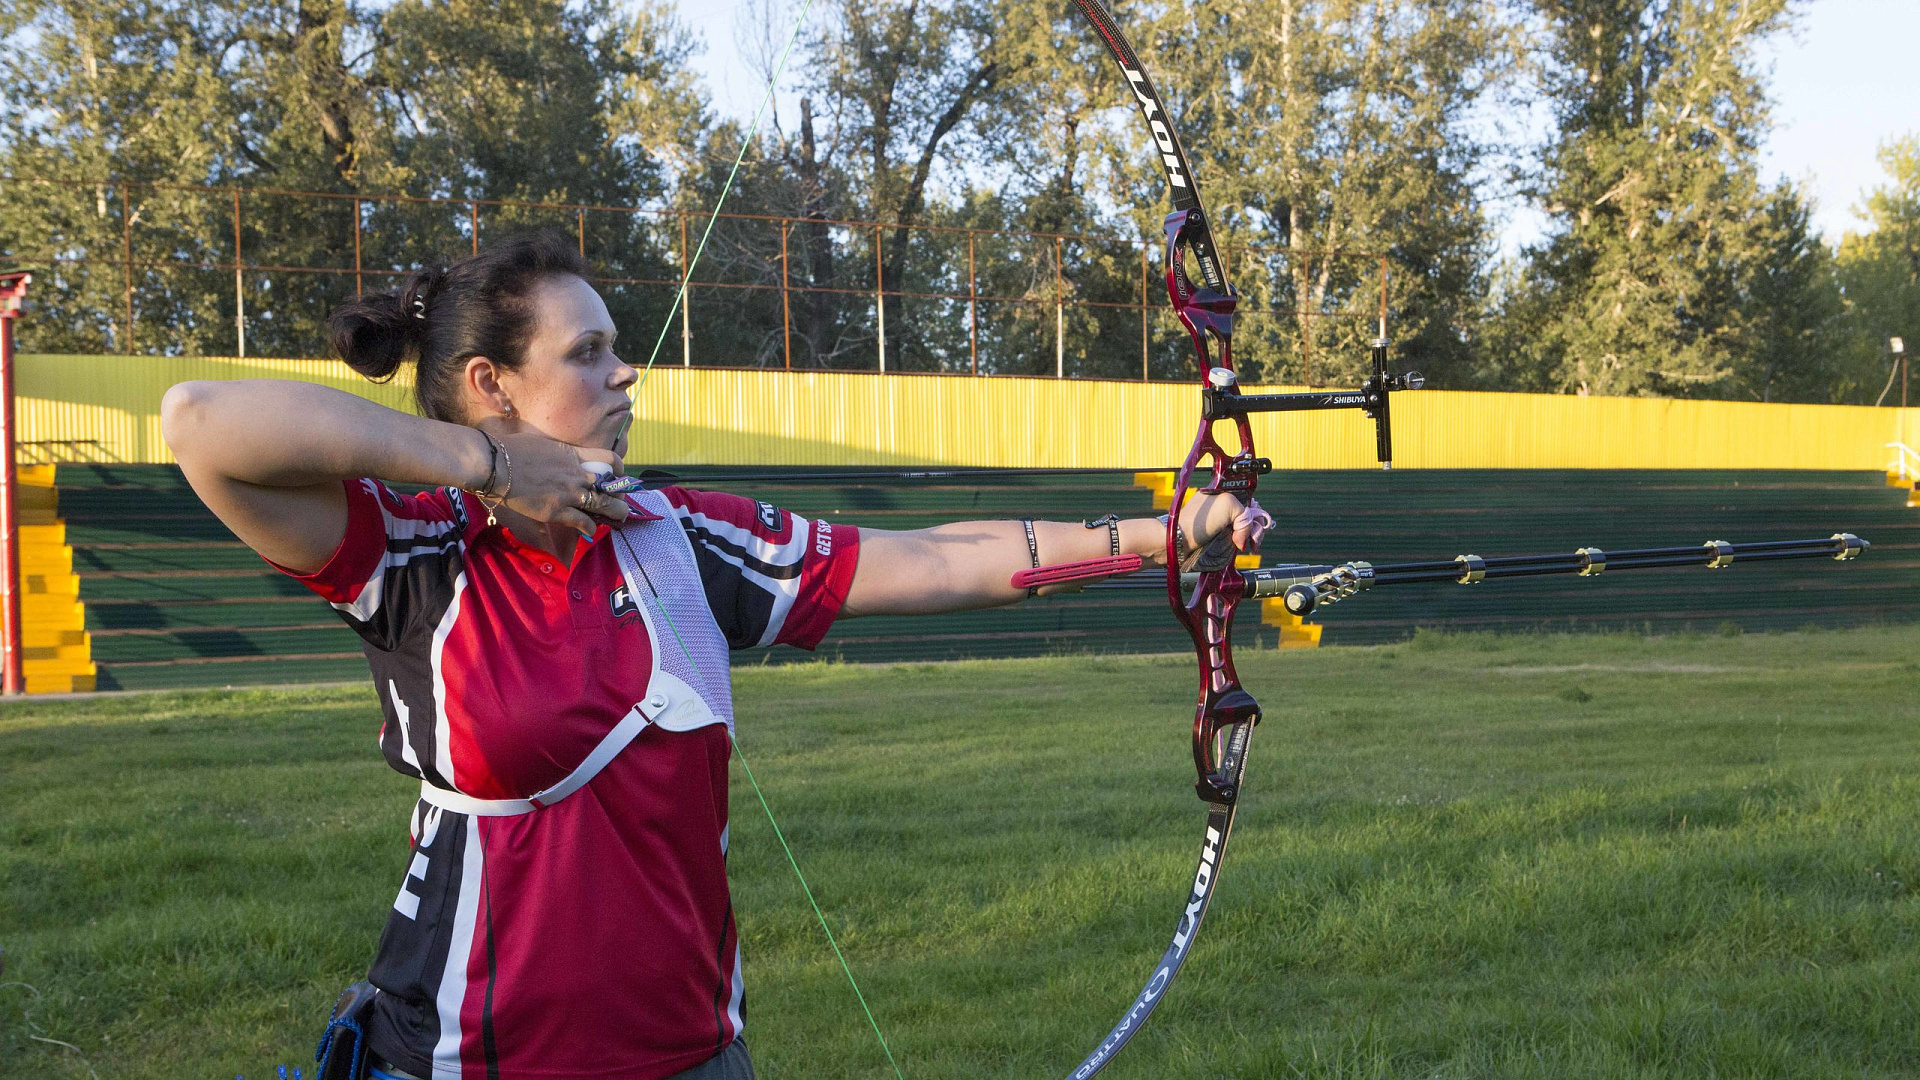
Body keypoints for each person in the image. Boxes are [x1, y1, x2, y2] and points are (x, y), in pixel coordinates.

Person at [159, 229, 1266, 1080]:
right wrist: (482, 465)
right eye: (586, 353)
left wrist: (1165, 533)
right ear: (494, 383)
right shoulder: (416, 554)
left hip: (692, 1054)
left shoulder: (681, 537)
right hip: (464, 1054)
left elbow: (934, 557)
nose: (624, 374)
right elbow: (199, 420)